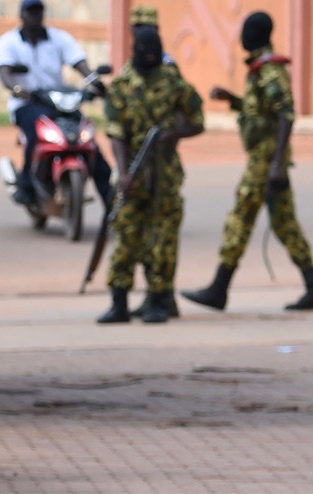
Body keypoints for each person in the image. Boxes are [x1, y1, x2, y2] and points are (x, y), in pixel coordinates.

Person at [181, 11, 313, 312]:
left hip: (265, 161)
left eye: (247, 31)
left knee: (240, 219)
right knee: (285, 224)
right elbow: (261, 111)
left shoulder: (269, 71)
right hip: (266, 160)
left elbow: (286, 114)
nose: (242, 37)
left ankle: (219, 289)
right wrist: (234, 100)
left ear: (258, 35)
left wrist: (276, 164)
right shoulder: (260, 70)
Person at [97, 27, 204, 324]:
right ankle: (118, 301)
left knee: (162, 241)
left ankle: (158, 300)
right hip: (133, 174)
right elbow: (116, 132)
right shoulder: (121, 86)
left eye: (154, 49)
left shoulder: (174, 84)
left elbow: (197, 120)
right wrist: (123, 171)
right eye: (144, 49)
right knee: (127, 234)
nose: (150, 54)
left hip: (165, 175)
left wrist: (172, 135)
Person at [0, 0, 113, 208]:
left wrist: (95, 83)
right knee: (36, 129)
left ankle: (113, 202)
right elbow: (5, 74)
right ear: (21, 15)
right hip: (27, 104)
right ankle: (26, 185)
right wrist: (18, 90)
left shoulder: (59, 39)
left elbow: (80, 64)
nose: (35, 16)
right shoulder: (9, 42)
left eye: (38, 11)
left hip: (58, 101)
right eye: (31, 12)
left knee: (88, 140)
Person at [126, 5, 184, 320]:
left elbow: (182, 112)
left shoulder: (167, 69)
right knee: (141, 233)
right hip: (138, 166)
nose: (140, 32)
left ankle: (162, 297)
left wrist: (168, 139)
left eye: (146, 27)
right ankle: (155, 297)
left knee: (162, 235)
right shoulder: (133, 66)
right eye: (136, 26)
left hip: (162, 166)